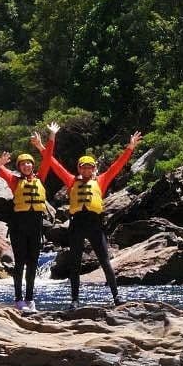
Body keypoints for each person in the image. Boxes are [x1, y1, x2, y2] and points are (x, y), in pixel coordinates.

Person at [43, 131, 142, 309]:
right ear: (79, 169)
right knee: (75, 263)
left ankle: (116, 297)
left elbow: (117, 166)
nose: (87, 170)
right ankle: (74, 300)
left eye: (90, 167)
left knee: (105, 261)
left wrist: (130, 147)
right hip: (77, 224)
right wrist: (45, 144)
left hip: (95, 225)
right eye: (84, 167)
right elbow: (53, 163)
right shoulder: (71, 181)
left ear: (94, 168)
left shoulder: (102, 180)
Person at [0, 123, 59, 312]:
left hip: (36, 225)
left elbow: (48, 159)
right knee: (19, 263)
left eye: (29, 163)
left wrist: (50, 138)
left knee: (33, 262)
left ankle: (30, 299)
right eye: (23, 163)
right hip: (19, 225)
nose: (27, 165)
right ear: (19, 167)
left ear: (32, 166)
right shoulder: (13, 180)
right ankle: (18, 300)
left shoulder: (40, 178)